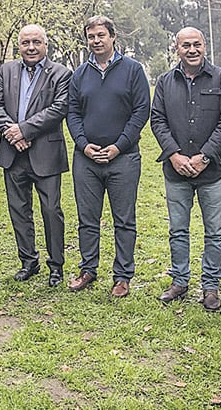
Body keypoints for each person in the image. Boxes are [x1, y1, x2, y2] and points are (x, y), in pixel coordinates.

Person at [151, 27, 221, 311]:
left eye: (196, 44)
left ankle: (211, 286)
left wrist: (205, 156)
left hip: (212, 172)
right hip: (176, 171)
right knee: (178, 230)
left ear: (204, 46)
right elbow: (157, 120)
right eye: (185, 45)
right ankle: (179, 281)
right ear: (177, 48)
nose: (192, 50)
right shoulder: (165, 81)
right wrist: (174, 155)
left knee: (214, 232)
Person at [66, 15, 150, 297]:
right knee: (87, 218)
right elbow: (73, 112)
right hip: (86, 159)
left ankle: (123, 276)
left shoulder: (133, 70)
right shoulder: (79, 74)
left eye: (101, 35)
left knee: (124, 220)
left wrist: (119, 146)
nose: (96, 41)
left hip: (123, 158)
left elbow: (141, 111)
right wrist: (83, 144)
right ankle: (88, 269)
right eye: (91, 36)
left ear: (113, 37)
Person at [0, 24, 71, 287]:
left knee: (51, 210)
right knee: (19, 209)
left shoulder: (61, 74)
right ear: (19, 46)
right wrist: (12, 132)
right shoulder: (7, 70)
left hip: (45, 152)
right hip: (13, 153)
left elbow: (58, 108)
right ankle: (28, 261)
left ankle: (56, 266)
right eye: (26, 43)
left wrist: (24, 130)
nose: (31, 47)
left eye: (36, 42)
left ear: (45, 45)